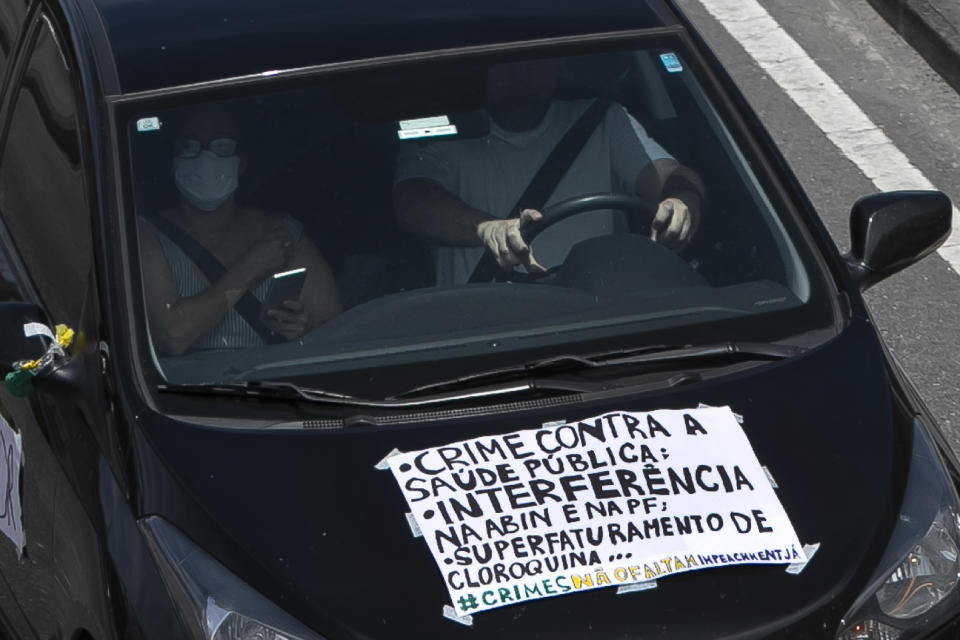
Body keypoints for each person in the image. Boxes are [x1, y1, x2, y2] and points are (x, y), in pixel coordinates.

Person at [393, 59, 705, 286]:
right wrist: (487, 229)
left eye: (532, 58)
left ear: (556, 65)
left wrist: (681, 201)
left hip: (602, 317)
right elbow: (414, 202)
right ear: (479, 66)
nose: (520, 72)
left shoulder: (602, 120)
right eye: (502, 61)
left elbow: (673, 175)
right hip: (481, 328)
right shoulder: (441, 133)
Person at [138, 106, 340, 355]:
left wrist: (304, 327)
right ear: (172, 161)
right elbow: (173, 335)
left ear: (242, 162)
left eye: (222, 144)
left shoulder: (281, 233)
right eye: (189, 145)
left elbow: (336, 332)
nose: (206, 158)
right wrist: (251, 266)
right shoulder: (148, 236)